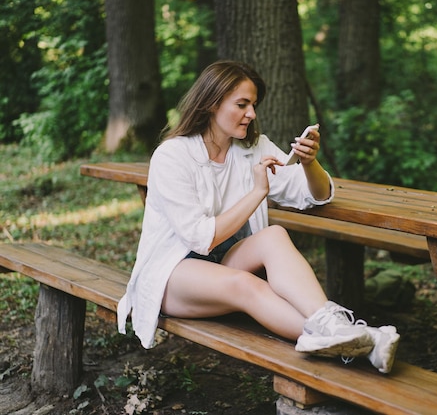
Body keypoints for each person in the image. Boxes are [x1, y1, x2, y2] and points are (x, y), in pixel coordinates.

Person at [116, 60, 400, 373]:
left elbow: (314, 195)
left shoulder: (253, 147)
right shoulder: (173, 156)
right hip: (173, 276)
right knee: (245, 285)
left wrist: (309, 163)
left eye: (253, 104)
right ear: (211, 103)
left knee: (274, 236)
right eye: (241, 104)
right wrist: (256, 192)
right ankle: (365, 340)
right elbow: (200, 237)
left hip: (222, 265)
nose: (251, 114)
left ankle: (342, 332)